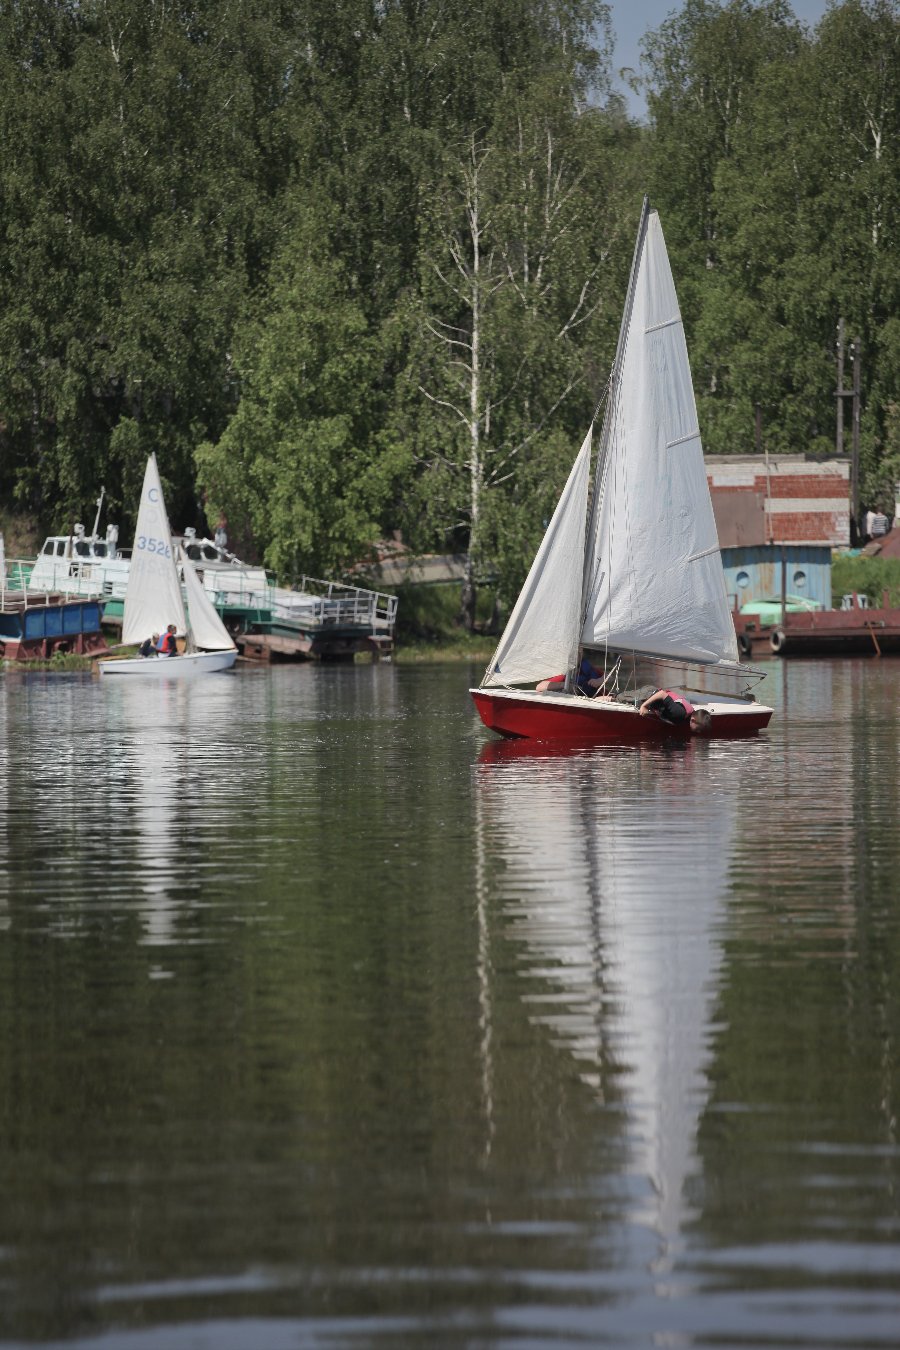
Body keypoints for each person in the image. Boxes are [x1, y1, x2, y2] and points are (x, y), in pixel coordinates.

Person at [638, 688, 712, 733]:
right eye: (698, 729)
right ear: (693, 720)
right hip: (646, 695)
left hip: (651, 695)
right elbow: (661, 694)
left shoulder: (691, 713)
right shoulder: (679, 713)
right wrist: (644, 706)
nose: (699, 732)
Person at [536, 657, 605, 696]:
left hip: (597, 699)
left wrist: (600, 680)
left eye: (580, 650)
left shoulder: (589, 670)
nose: (578, 653)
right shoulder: (564, 675)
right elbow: (539, 687)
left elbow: (609, 676)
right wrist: (565, 685)